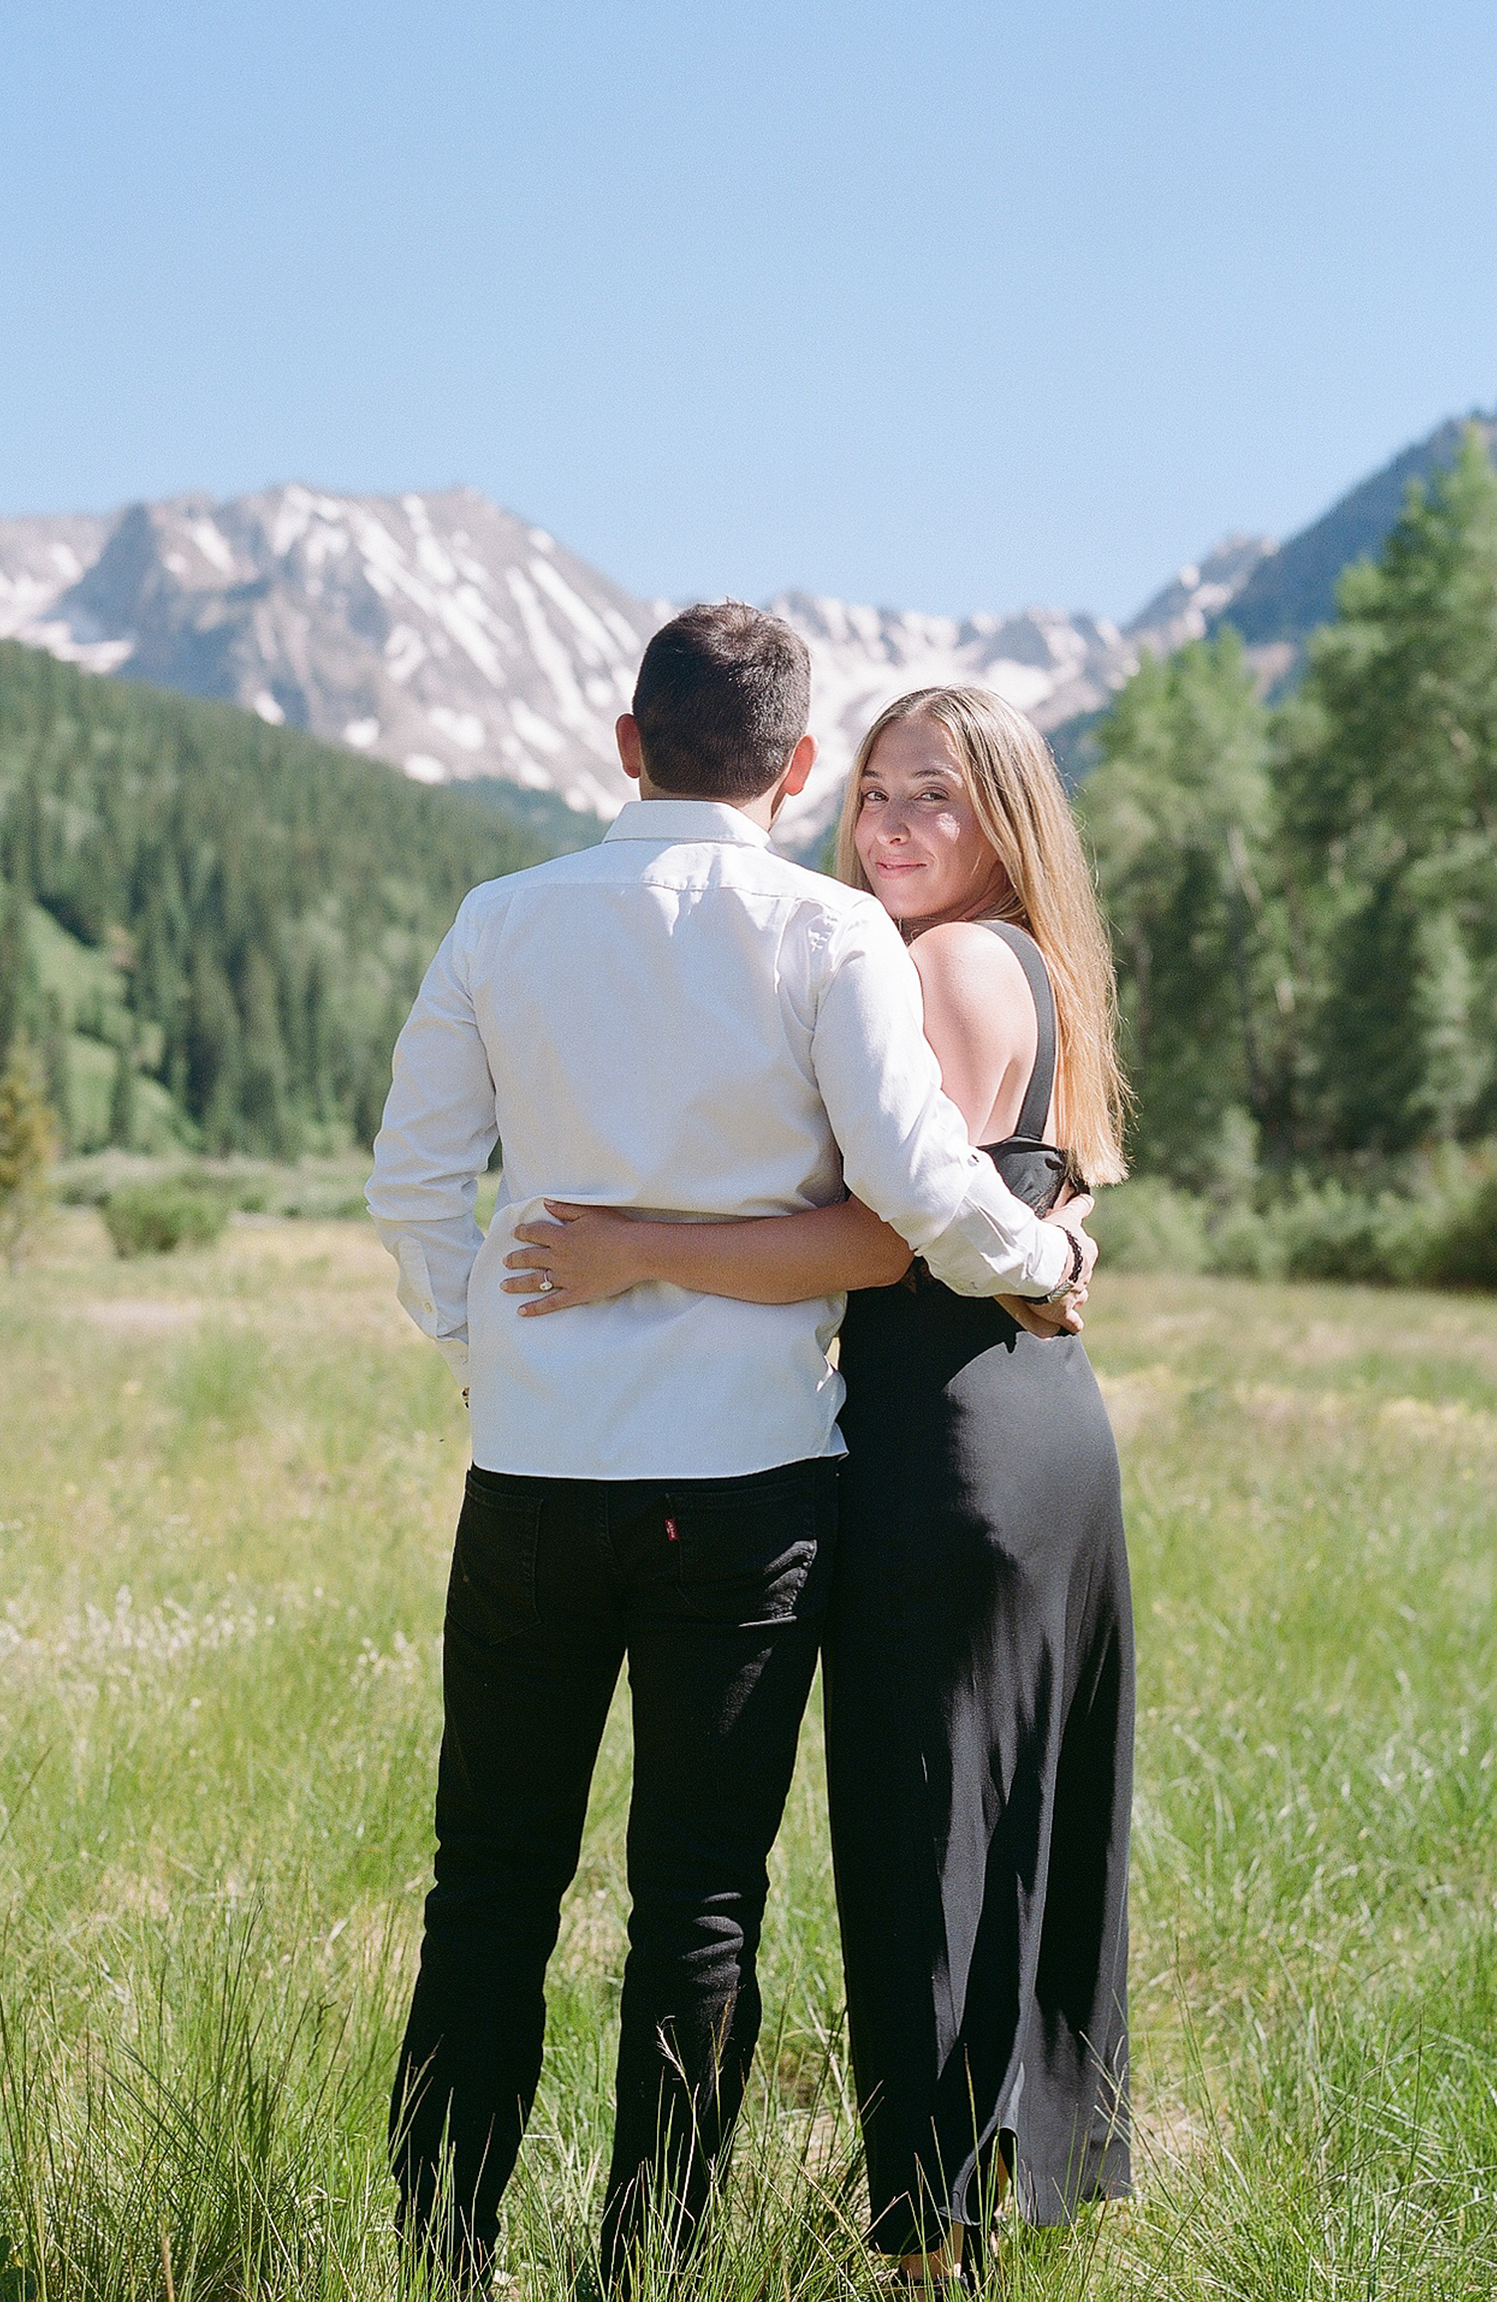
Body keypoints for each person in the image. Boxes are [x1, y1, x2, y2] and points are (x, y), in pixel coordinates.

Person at [366, 610, 1092, 2294]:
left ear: (629, 745)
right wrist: (1046, 1258)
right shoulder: (835, 932)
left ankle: (443, 2257)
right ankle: (651, 2268)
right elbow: (920, 1193)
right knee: (697, 1904)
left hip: (535, 1479)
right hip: (754, 1486)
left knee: (487, 1881)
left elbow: (413, 1190)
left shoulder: (500, 920)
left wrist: (489, 1351)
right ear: (797, 768)